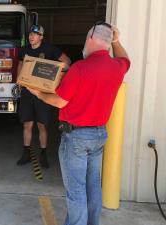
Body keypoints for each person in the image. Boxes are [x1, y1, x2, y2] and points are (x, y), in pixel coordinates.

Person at [27, 23, 130, 225]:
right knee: (93, 187)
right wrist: (116, 40)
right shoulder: (117, 67)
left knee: (76, 191)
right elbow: (126, 59)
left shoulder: (80, 68)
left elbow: (59, 101)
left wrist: (39, 93)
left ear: (91, 38)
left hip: (76, 138)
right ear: (108, 42)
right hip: (99, 135)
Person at [16, 25, 71, 168]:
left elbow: (67, 63)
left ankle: (43, 154)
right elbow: (20, 65)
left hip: (43, 94)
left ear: (41, 37)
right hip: (27, 92)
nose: (31, 36)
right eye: (30, 34)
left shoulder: (50, 49)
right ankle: (26, 152)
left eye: (35, 34)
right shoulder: (24, 50)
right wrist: (18, 80)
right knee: (27, 124)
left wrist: (51, 68)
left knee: (42, 125)